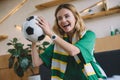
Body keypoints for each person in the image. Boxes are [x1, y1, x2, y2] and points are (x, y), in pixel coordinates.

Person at [31, 3, 107, 80]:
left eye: (67, 16)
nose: (63, 20)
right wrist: (33, 40)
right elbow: (36, 63)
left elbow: (73, 51)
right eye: (59, 18)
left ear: (75, 17)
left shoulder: (89, 35)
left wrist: (50, 33)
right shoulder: (57, 44)